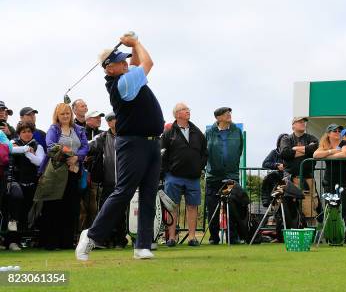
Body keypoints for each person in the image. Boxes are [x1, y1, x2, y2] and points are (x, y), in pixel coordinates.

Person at [76, 34, 164, 261]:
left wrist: (132, 47)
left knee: (148, 195)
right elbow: (147, 63)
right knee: (123, 192)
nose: (126, 64)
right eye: (120, 62)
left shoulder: (127, 76)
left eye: (126, 61)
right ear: (109, 69)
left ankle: (142, 245)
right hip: (133, 143)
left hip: (152, 143)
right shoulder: (123, 83)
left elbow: (136, 63)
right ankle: (91, 235)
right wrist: (135, 43)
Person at [37, 103, 89, 250]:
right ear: (57, 116)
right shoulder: (53, 129)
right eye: (62, 114)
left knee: (71, 207)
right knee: (53, 206)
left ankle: (66, 242)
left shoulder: (79, 129)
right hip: (56, 171)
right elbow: (51, 145)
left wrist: (77, 158)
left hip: (73, 172)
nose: (65, 116)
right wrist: (70, 154)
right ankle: (51, 242)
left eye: (67, 113)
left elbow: (85, 147)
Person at [161, 103, 208, 247]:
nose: (188, 111)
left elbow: (204, 153)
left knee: (192, 206)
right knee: (172, 206)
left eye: (188, 109)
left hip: (193, 177)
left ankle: (192, 237)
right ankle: (171, 237)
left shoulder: (197, 132)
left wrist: (199, 168)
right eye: (184, 109)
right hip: (173, 176)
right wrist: (166, 172)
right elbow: (163, 154)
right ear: (177, 114)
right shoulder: (169, 133)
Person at [87, 112, 127, 248]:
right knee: (106, 211)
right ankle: (105, 240)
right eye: (114, 120)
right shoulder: (103, 137)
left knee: (122, 213)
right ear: (109, 123)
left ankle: (120, 240)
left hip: (125, 181)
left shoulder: (128, 135)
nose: (116, 122)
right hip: (108, 182)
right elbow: (87, 146)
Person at [204, 107, 243, 244]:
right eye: (225, 113)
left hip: (231, 175)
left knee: (233, 206)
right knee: (212, 206)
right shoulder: (209, 132)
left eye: (229, 113)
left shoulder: (237, 131)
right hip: (213, 176)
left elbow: (239, 150)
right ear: (218, 118)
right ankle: (213, 237)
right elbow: (205, 152)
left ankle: (233, 237)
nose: (229, 115)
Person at [4, 121, 45, 251]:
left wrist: (26, 152)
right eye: (23, 132)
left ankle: (23, 240)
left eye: (29, 131)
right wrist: (25, 149)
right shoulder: (12, 143)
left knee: (27, 214)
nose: (27, 134)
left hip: (32, 185)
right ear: (19, 133)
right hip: (15, 184)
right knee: (14, 214)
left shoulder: (38, 146)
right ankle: (11, 241)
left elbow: (39, 162)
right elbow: (8, 151)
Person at [80, 110, 105, 230]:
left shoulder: (103, 134)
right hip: (83, 177)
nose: (99, 119)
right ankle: (80, 236)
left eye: (99, 117)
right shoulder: (80, 133)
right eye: (96, 117)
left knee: (95, 209)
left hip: (98, 177)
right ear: (88, 119)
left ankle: (93, 236)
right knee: (83, 209)